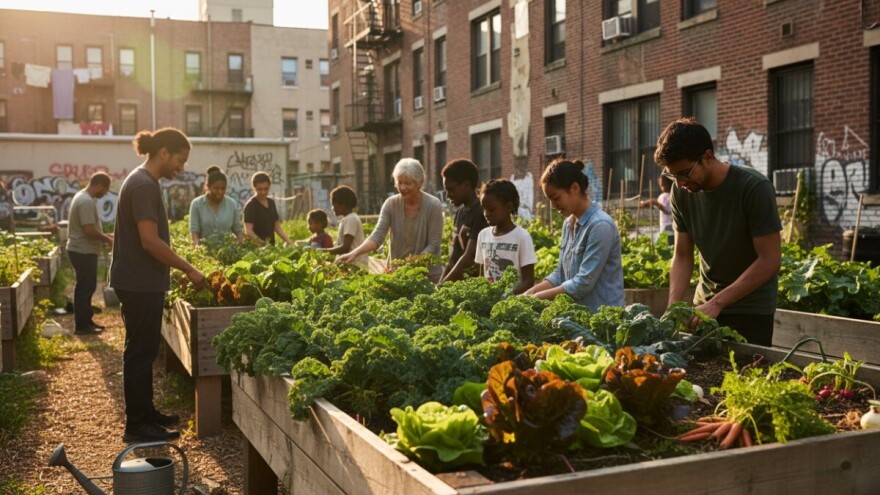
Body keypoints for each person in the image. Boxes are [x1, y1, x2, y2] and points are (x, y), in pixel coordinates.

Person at [110, 127, 206, 442]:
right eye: (180, 159)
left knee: (144, 350)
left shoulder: (143, 182)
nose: (181, 167)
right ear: (164, 152)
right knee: (140, 353)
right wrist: (188, 268)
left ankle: (146, 413)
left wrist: (171, 268)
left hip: (140, 280)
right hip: (138, 282)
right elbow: (149, 241)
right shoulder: (143, 185)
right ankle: (137, 425)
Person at [655, 117, 782, 345]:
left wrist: (718, 302)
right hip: (703, 308)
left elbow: (770, 259)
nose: (680, 183)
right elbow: (682, 255)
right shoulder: (680, 193)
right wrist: (672, 308)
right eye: (673, 176)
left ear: (707, 157)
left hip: (751, 310)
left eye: (685, 173)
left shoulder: (753, 187)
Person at [524, 158, 624, 311]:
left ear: (575, 188)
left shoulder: (600, 225)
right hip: (577, 317)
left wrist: (537, 298)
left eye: (556, 198)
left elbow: (584, 282)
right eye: (549, 199)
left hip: (603, 319)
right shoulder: (568, 224)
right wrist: (530, 293)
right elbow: (561, 274)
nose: (553, 205)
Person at [337, 158, 443, 279]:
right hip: (396, 273)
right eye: (400, 183)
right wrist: (354, 253)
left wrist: (411, 266)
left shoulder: (433, 205)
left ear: (420, 182)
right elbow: (377, 236)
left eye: (408, 183)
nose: (403, 187)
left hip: (428, 275)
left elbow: (433, 244)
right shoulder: (391, 204)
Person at [66, 172, 114, 335]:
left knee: (86, 286)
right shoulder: (86, 201)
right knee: (85, 287)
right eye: (105, 190)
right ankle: (82, 325)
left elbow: (88, 228)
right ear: (99, 185)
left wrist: (106, 236)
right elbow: (88, 230)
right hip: (83, 250)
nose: (105, 194)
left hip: (81, 249)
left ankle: (86, 320)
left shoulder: (82, 197)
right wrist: (107, 239)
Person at [475, 179, 536, 294]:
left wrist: (507, 296)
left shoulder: (522, 237)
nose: (486, 213)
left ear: (509, 206)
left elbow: (528, 281)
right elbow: (482, 275)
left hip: (513, 303)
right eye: (484, 208)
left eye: (491, 209)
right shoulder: (483, 235)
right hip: (490, 300)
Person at [438, 159, 488, 285]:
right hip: (458, 284)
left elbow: (469, 257)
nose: (448, 195)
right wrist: (439, 284)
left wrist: (443, 285)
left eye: (451, 189)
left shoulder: (481, 213)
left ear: (466, 185)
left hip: (474, 285)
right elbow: (453, 257)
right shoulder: (460, 212)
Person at [189, 168, 243, 244]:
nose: (220, 192)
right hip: (205, 249)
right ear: (208, 187)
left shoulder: (232, 204)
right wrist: (197, 247)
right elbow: (194, 231)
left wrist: (238, 243)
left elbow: (238, 230)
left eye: (223, 188)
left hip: (227, 248)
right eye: (216, 188)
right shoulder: (197, 204)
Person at [243, 171, 292, 246]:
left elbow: (277, 227)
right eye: (260, 189)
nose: (263, 192)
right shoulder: (250, 205)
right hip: (255, 249)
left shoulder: (271, 203)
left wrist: (289, 241)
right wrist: (263, 244)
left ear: (269, 186)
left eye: (266, 189)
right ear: (254, 187)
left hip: (271, 247)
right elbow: (249, 232)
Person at [323, 185, 367, 264]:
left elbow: (345, 248)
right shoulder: (347, 219)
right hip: (351, 263)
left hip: (355, 264)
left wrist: (323, 251)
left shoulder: (351, 219)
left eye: (334, 205)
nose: (332, 208)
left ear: (343, 205)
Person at [639, 175, 674, 244]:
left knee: (668, 243)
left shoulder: (669, 196)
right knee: (667, 243)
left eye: (663, 185)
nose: (661, 188)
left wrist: (654, 202)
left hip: (669, 225)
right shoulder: (664, 196)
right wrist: (646, 204)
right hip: (665, 225)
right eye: (660, 185)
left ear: (669, 184)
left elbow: (667, 211)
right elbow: (658, 206)